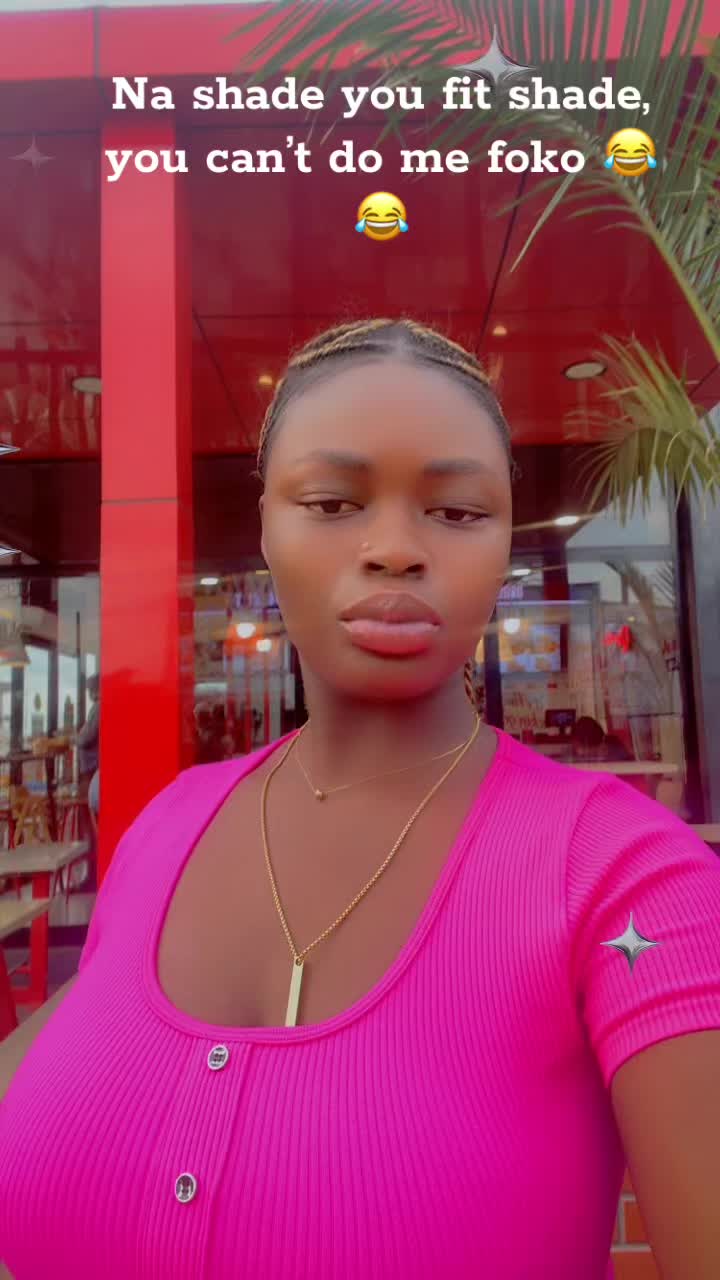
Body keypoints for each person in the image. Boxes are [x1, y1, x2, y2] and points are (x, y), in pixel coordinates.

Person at [1, 318, 719, 1280]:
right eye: (333, 502)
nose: (394, 550)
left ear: (504, 540)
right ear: (266, 525)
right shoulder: (166, 828)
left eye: (457, 511)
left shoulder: (625, 879)